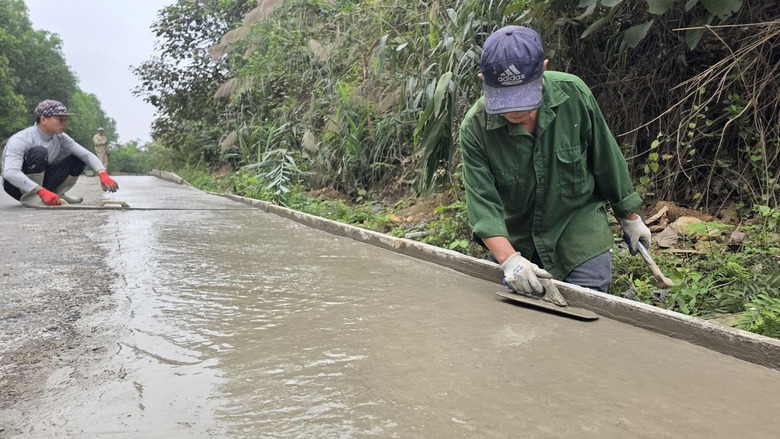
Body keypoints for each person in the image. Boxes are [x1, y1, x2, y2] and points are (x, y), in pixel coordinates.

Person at [459, 25, 651, 296]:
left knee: (587, 301)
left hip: (578, 230)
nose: (517, 110)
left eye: (523, 97)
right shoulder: (475, 128)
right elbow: (483, 206)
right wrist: (510, 260)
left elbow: (606, 159)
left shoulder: (574, 95)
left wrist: (629, 218)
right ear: (484, 80)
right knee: (517, 311)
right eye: (505, 100)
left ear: (543, 69)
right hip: (518, 239)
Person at [2, 99, 119, 206]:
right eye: (60, 119)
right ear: (43, 119)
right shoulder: (21, 139)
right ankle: (32, 198)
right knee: (39, 152)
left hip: (41, 182)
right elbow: (10, 173)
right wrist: (41, 191)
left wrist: (102, 174)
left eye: (65, 119)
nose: (64, 123)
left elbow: (86, 155)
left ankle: (57, 194)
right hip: (16, 187)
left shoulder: (60, 137)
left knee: (78, 158)